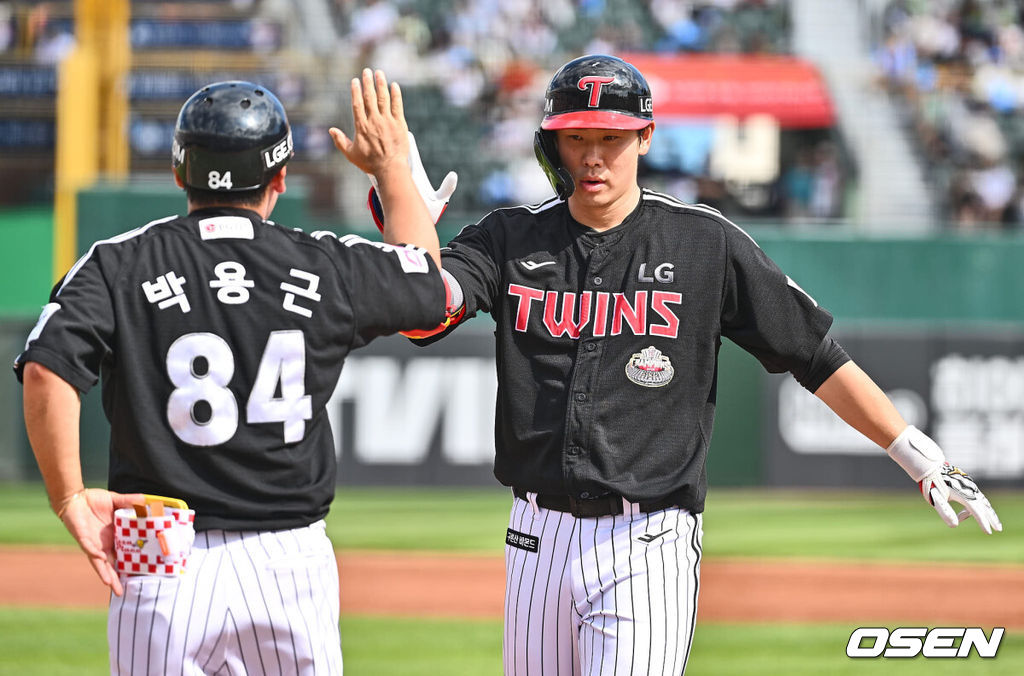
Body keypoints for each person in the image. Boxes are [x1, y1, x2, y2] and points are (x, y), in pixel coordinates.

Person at [398, 54, 1003, 675]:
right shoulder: (508, 237)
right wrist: (404, 207)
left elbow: (813, 353)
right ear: (552, 142)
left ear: (646, 137)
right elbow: (424, 314)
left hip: (647, 542)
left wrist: (917, 454)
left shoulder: (702, 242)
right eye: (576, 138)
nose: (593, 157)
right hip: (534, 536)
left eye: (612, 137)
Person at [15, 70, 446, 674]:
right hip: (289, 557)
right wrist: (392, 169)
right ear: (280, 178)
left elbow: (45, 371)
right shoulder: (325, 264)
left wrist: (68, 498)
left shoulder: (117, 262)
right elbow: (430, 288)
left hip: (158, 547)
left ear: (178, 172)